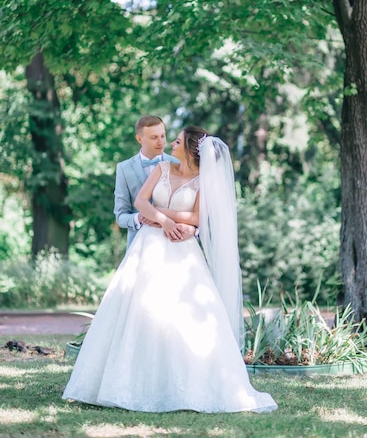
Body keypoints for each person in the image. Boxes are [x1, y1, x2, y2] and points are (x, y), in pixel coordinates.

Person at [62, 126, 277, 413]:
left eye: (176, 141)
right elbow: (141, 201)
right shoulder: (162, 167)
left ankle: (183, 383)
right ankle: (123, 383)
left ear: (190, 149)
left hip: (182, 252)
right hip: (149, 246)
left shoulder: (203, 181)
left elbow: (198, 217)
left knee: (181, 315)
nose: (170, 143)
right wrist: (165, 222)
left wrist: (166, 217)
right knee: (141, 307)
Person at [114, 115, 196, 249]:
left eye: (163, 136)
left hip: (175, 242)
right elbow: (120, 215)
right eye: (154, 137)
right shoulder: (124, 168)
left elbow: (195, 207)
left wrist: (193, 230)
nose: (161, 142)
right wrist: (139, 218)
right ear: (139, 139)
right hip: (139, 246)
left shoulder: (178, 162)